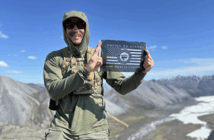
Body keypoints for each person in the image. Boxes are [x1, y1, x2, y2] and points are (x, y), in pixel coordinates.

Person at [43, 10, 154, 140]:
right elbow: (54, 92)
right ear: (64, 29)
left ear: (86, 28)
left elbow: (122, 87)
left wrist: (142, 72)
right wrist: (87, 69)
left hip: (95, 130)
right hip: (61, 129)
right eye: (69, 25)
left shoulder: (101, 56)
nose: (75, 29)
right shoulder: (55, 58)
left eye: (80, 24)